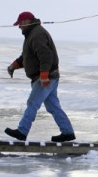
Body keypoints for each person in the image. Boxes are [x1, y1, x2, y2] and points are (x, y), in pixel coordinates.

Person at [4, 11, 76, 142]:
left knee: (32, 103)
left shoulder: (37, 34)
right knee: (53, 106)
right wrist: (14, 65)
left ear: (26, 21)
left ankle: (22, 131)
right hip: (49, 76)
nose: (19, 27)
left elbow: (46, 56)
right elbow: (28, 56)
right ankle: (68, 132)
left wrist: (44, 75)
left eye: (20, 24)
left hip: (45, 78)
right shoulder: (32, 34)